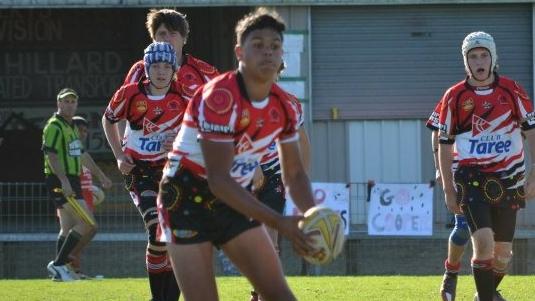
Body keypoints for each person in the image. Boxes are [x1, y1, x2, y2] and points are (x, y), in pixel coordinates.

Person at [156, 8, 317, 301]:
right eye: (258, 45)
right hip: (185, 198)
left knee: (281, 296)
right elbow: (218, 179)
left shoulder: (288, 106)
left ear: (283, 55)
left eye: (275, 46)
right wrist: (279, 222)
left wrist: (313, 216)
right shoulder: (219, 96)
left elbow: (294, 173)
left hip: (233, 198)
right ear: (239, 52)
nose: (268, 52)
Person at [438, 31, 535, 301]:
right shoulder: (454, 96)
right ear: (465, 62)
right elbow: (443, 143)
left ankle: (485, 294)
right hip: (471, 178)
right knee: (483, 244)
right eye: (473, 56)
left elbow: (532, 131)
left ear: (493, 58)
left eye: (484, 55)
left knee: (503, 256)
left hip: (509, 178)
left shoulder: (512, 90)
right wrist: (448, 188)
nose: (479, 61)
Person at [102, 42, 187, 301]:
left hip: (171, 171)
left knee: (177, 236)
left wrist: (180, 143)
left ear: (174, 69)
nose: (161, 71)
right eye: (155, 65)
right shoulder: (128, 94)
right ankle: (158, 296)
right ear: (146, 67)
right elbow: (108, 119)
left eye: (166, 66)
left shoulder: (184, 97)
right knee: (156, 231)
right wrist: (119, 155)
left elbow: (198, 133)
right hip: (139, 171)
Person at [249, 63, 311, 301]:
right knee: (249, 240)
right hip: (243, 177)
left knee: (270, 240)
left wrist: (300, 179)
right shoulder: (240, 99)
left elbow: (303, 142)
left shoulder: (291, 103)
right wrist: (252, 166)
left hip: (275, 177)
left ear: (278, 72)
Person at [43, 88, 111, 281]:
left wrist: (101, 175)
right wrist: (64, 181)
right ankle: (58, 265)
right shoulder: (54, 126)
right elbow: (51, 155)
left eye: (73, 101)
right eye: (66, 101)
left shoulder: (71, 126)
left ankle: (60, 272)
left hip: (71, 180)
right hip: (60, 180)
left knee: (66, 228)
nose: (70, 104)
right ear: (58, 103)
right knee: (88, 223)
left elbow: (82, 155)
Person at [427, 101, 470, 301]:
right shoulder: (453, 97)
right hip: (461, 169)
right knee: (462, 227)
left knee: (497, 237)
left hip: (494, 169)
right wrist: (438, 166)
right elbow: (436, 131)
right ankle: (451, 273)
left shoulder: (504, 93)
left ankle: (489, 289)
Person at [123, 8, 219, 100]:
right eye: (162, 33)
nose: (167, 39)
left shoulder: (205, 72)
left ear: (184, 38)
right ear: (153, 39)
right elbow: (121, 108)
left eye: (173, 33)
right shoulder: (139, 70)